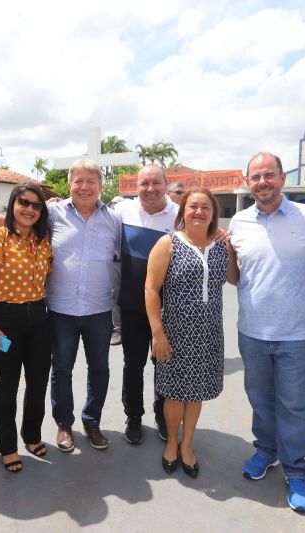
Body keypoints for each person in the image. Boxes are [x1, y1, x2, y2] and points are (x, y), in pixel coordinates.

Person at [228, 151, 305, 513]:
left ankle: (296, 470)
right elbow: (235, 273)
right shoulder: (238, 222)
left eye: (269, 175)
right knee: (261, 399)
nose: (262, 183)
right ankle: (266, 451)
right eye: (255, 177)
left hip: (298, 335)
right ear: (247, 183)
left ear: (283, 178)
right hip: (252, 332)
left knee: (293, 406)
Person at [146, 188, 236, 478]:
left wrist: (230, 242)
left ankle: (188, 444)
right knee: (174, 393)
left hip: (209, 332)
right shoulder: (168, 243)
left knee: (195, 393)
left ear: (213, 213)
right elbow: (150, 290)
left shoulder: (222, 245)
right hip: (175, 331)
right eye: (193, 206)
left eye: (206, 207)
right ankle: (171, 442)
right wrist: (157, 332)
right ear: (182, 210)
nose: (199, 212)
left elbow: (235, 278)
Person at [0, 181, 53, 472]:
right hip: (5, 321)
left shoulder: (42, 239)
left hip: (39, 320)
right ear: (13, 204)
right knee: (7, 384)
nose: (29, 209)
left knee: (38, 382)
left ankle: (31, 435)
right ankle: (7, 446)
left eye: (36, 205)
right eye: (24, 203)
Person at [47, 159, 121, 452]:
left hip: (99, 310)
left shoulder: (114, 220)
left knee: (99, 369)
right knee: (62, 368)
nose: (84, 187)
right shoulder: (53, 213)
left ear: (100, 186)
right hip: (60, 310)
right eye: (78, 180)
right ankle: (64, 424)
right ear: (69, 184)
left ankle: (92, 421)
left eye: (91, 181)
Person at [113, 164, 179, 445]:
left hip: (169, 307)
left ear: (166, 184)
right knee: (133, 364)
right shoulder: (121, 212)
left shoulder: (180, 215)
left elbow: (206, 230)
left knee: (164, 363)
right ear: (135, 187)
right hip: (130, 305)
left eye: (156, 183)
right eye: (144, 184)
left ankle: (162, 414)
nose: (150, 189)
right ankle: (134, 415)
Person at [107, 195, 125, 346]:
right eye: (113, 204)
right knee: (113, 295)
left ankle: (119, 328)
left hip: (123, 263)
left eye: (117, 204)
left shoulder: (125, 220)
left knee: (118, 295)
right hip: (110, 264)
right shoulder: (107, 219)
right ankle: (116, 327)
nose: (114, 206)